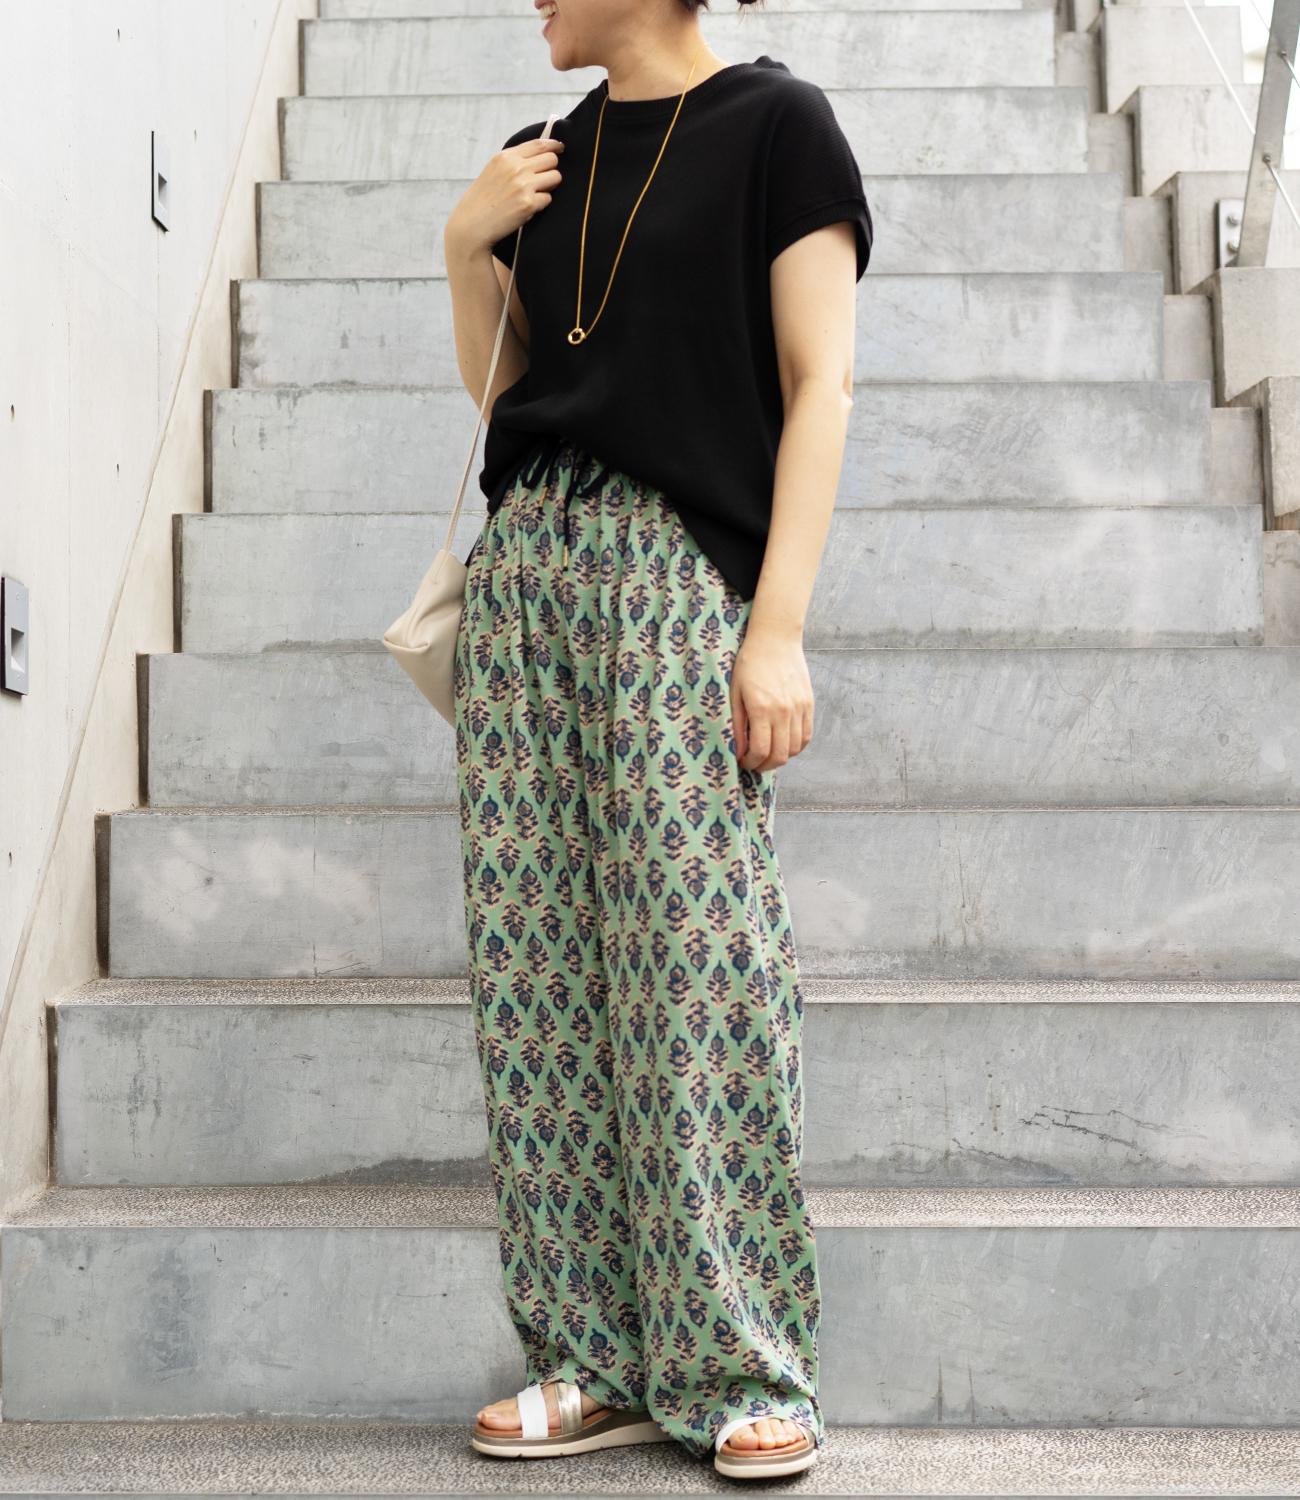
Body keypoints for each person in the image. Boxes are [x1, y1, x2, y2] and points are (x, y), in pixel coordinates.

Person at [442, 0, 872, 1479]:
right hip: (529, 576)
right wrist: (466, 247)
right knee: (538, 975)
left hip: (679, 579)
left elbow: (820, 382)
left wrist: (778, 625)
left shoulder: (777, 128)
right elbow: (511, 405)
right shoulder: (538, 160)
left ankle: (743, 1360)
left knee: (698, 966)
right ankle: (588, 1357)